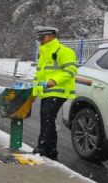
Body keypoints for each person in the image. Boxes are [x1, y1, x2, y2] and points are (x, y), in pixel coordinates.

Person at [32, 25, 77, 160]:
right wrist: (34, 93)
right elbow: (39, 76)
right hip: (47, 92)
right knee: (46, 117)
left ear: (51, 36)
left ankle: (44, 148)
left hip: (59, 91)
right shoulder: (43, 54)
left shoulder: (64, 51)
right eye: (39, 38)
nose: (40, 41)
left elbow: (71, 71)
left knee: (47, 116)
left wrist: (54, 80)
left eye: (43, 38)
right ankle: (50, 151)